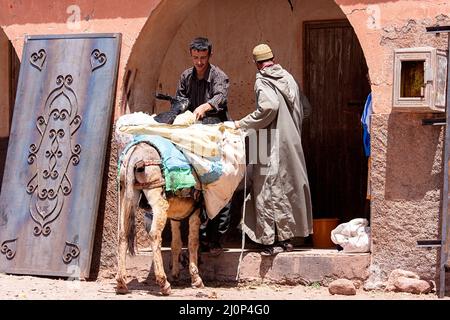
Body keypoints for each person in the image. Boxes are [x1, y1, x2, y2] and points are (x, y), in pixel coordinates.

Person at [234, 44, 313, 256]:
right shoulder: (289, 78)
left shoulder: (262, 79)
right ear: (273, 58)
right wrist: (290, 127)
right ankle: (286, 239)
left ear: (257, 64)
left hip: (267, 142)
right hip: (291, 143)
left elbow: (269, 107)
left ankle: (268, 241)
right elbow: (306, 109)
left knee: (263, 187)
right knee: (286, 187)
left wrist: (242, 125)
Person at [176, 37, 231, 255]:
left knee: (218, 183)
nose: (199, 62)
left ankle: (216, 239)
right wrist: (182, 111)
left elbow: (220, 97)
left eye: (203, 58)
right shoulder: (185, 76)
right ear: (191, 55)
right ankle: (195, 237)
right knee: (191, 184)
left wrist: (205, 107)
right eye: (196, 58)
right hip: (191, 135)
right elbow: (180, 100)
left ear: (209, 55)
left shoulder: (219, 76)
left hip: (214, 133)